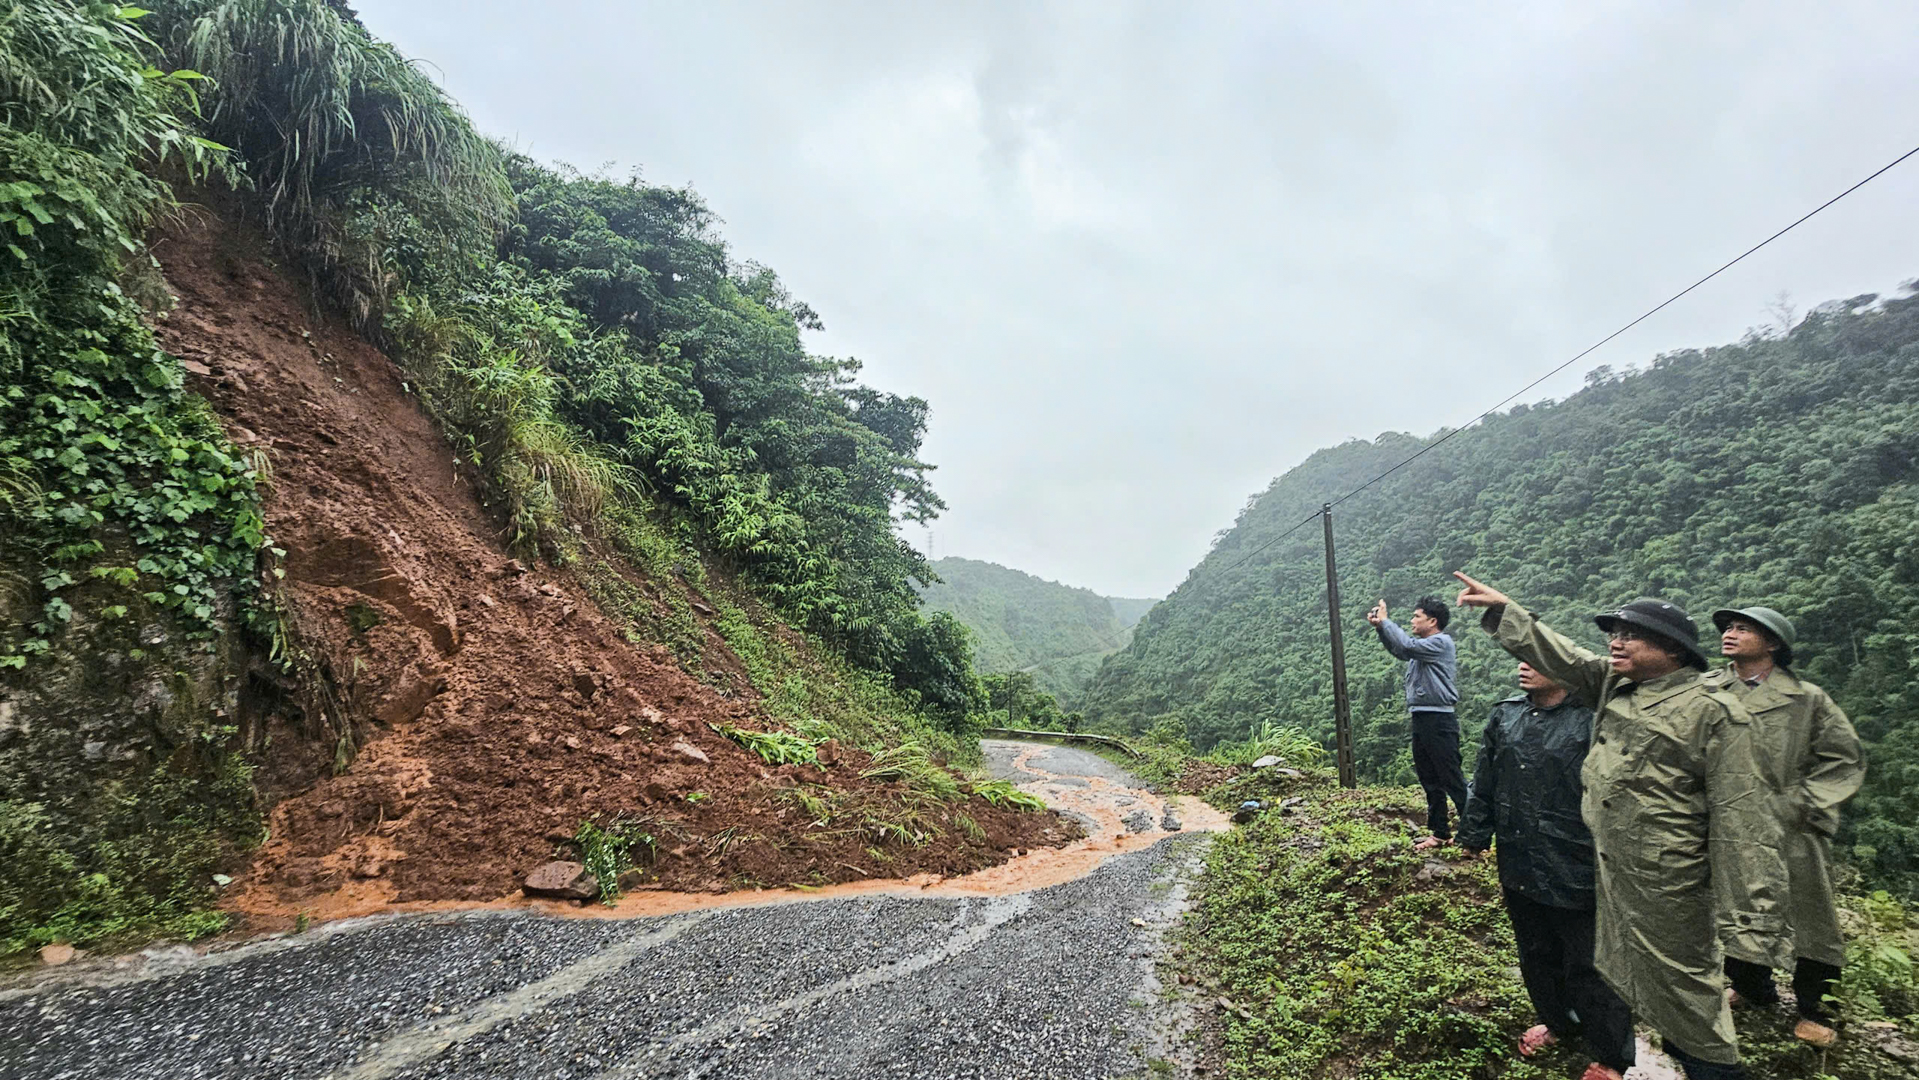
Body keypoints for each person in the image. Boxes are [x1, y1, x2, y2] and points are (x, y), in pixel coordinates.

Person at [1453, 572, 1790, 1080]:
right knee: (1605, 968)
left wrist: (1751, 925)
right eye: (1614, 632)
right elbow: (1563, 656)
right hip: (1605, 868)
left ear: (1674, 651)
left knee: (1686, 996)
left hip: (1669, 881)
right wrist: (1506, 611)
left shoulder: (1713, 713)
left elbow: (1742, 821)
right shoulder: (1616, 685)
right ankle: (1615, 1047)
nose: (1617, 641)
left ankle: (1708, 1069)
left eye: (1632, 634)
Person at [1459, 662, 1635, 1080]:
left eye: (1535, 658)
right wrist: (1474, 834)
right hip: (1519, 854)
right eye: (1519, 657)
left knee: (1589, 961)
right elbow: (1485, 777)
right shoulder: (1506, 714)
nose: (1523, 666)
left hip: (1575, 858)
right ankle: (1559, 1022)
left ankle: (1612, 1054)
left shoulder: (1592, 719)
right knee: (1536, 952)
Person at [1704, 606, 1865, 1049]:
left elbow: (1844, 758)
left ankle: (1816, 1008)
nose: (1730, 635)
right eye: (1728, 628)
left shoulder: (1807, 698)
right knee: (1732, 906)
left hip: (1788, 825)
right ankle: (1754, 988)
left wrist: (1801, 803)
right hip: (1724, 821)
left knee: (1809, 914)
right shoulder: (1706, 690)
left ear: (1773, 643)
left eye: (1743, 629)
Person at [1367, 595, 1466, 847]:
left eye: (1416, 616)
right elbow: (1400, 649)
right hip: (1422, 717)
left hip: (1439, 719)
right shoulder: (1422, 648)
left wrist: (1387, 622)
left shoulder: (1440, 643)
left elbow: (1407, 646)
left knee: (1451, 777)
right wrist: (1381, 629)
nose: (1412, 620)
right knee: (1429, 777)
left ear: (1432, 621)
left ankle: (1475, 835)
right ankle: (1440, 833)